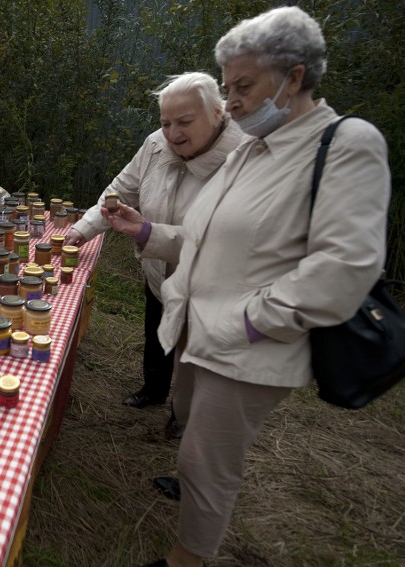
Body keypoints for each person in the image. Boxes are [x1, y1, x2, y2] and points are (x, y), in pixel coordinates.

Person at [101, 7, 391, 567]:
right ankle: (190, 505)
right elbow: (201, 238)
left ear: (295, 75)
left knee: (210, 463)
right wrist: (144, 230)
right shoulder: (252, 152)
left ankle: (189, 557)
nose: (231, 102)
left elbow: (346, 266)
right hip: (198, 329)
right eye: (228, 87)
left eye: (243, 86)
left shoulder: (344, 142)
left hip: (244, 347)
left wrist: (250, 321)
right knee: (192, 444)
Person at [67, 72, 243, 435]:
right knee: (158, 333)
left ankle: (186, 422)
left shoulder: (245, 158)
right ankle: (154, 389)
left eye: (184, 122)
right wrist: (79, 231)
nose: (173, 133)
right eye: (165, 123)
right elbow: (119, 192)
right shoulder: (155, 145)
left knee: (199, 361)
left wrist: (147, 232)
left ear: (216, 113)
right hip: (159, 273)